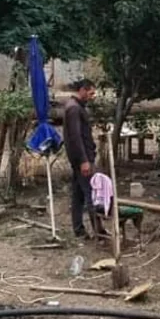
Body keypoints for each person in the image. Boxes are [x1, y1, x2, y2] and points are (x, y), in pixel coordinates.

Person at [62, 78, 102, 238]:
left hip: (81, 158)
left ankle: (78, 229)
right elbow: (75, 137)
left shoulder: (76, 107)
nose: (93, 96)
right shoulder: (74, 109)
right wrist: (84, 160)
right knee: (91, 194)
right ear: (83, 90)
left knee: (78, 195)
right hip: (82, 159)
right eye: (91, 93)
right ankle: (99, 231)